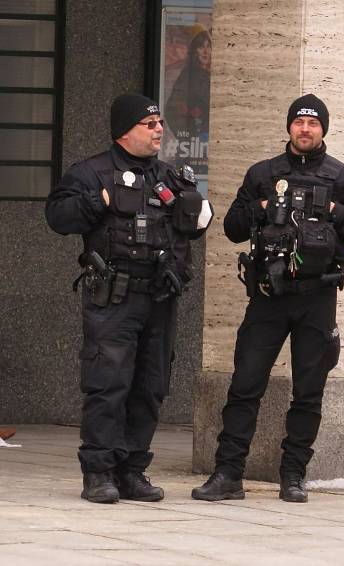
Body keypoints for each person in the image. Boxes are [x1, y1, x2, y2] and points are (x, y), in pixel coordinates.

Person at [192, 94, 344, 504]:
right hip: (268, 296)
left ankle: (294, 475)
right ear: (289, 127)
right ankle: (228, 473)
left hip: (317, 296)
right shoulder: (263, 174)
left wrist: (333, 210)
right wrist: (262, 207)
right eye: (299, 122)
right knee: (245, 385)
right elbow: (231, 228)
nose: (305, 129)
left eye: (313, 123)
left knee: (308, 390)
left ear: (324, 129)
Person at [45, 93, 212, 504]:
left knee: (151, 386)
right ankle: (99, 472)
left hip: (159, 298)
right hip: (113, 299)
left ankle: (132, 470)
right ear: (125, 130)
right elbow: (58, 217)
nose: (159, 130)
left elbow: (197, 224)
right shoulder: (92, 173)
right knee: (108, 384)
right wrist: (98, 200)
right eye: (149, 124)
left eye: (159, 124)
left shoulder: (170, 177)